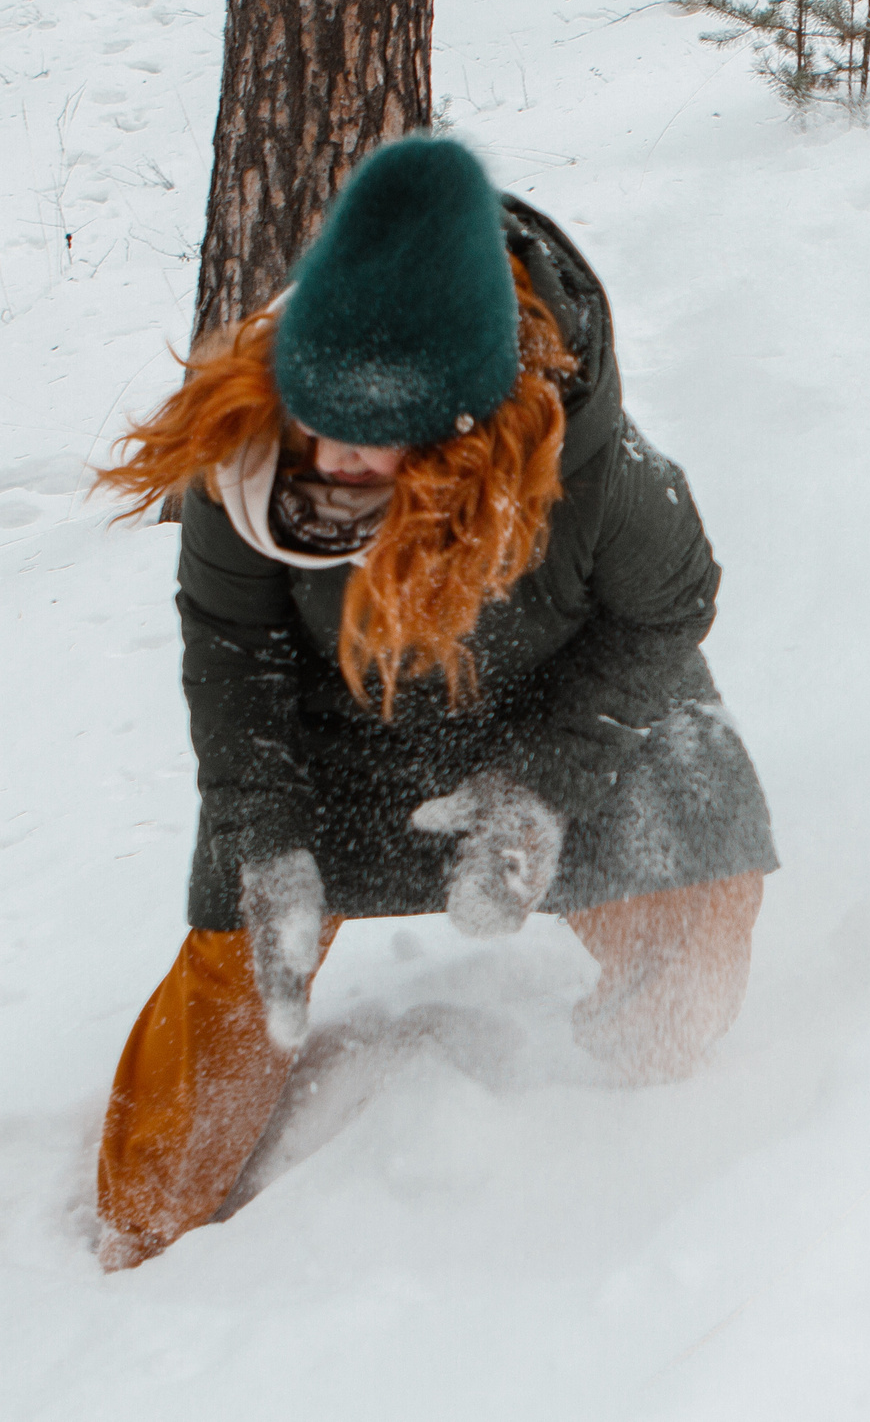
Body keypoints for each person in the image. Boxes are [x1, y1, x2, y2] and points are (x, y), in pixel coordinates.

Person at [90, 135, 778, 1269]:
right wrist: (266, 840)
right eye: (317, 425)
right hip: (339, 723)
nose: (329, 457)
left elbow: (671, 607)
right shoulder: (251, 440)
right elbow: (232, 647)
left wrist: (544, 791)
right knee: (234, 963)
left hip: (557, 709)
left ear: (464, 437)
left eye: (370, 448)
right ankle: (143, 1232)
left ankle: (640, 1128)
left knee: (701, 902)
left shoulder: (593, 468)